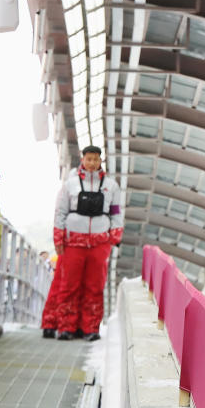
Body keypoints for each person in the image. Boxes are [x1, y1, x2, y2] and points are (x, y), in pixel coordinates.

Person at [51, 145, 123, 341]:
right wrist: (58, 237)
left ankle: (90, 328)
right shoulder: (70, 184)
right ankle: (66, 327)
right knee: (69, 285)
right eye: (88, 159)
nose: (92, 163)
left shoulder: (111, 186)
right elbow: (61, 212)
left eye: (96, 159)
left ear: (101, 161)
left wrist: (115, 235)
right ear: (82, 160)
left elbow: (116, 212)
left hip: (100, 243)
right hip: (73, 242)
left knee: (94, 286)